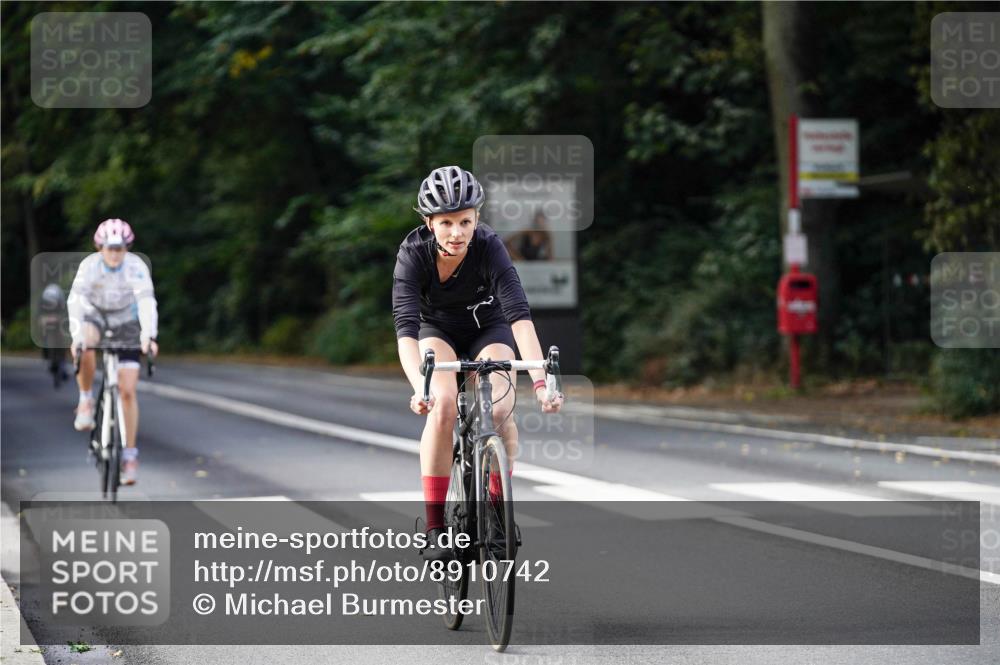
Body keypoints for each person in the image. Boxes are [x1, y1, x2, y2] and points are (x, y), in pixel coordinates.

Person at [392, 166, 563, 561]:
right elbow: (406, 330)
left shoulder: (489, 246)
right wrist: (420, 389)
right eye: (447, 222)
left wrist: (541, 384)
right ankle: (435, 527)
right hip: (438, 332)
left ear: (477, 219)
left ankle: (498, 511)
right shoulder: (412, 254)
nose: (457, 232)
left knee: (501, 409)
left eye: (465, 221)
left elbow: (519, 317)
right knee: (445, 406)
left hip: (490, 328)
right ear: (429, 223)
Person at [68, 219, 158, 486]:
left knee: (128, 391)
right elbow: (75, 302)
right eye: (110, 248)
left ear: (127, 248)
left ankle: (130, 455)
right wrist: (76, 338)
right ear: (100, 247)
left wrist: (148, 336)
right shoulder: (89, 267)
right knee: (85, 342)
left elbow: (146, 302)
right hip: (96, 319)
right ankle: (85, 399)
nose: (115, 254)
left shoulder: (136, 267)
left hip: (125, 324)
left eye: (120, 248)